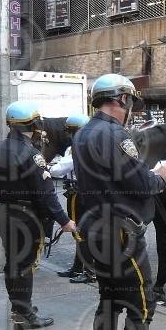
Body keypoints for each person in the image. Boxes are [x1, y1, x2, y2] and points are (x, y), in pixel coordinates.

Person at [72, 74, 166, 330]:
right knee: (139, 308)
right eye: (130, 101)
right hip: (122, 236)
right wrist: (161, 176)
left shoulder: (83, 133)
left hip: (96, 234)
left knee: (108, 301)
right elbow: (139, 184)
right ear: (121, 100)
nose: (131, 108)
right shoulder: (115, 135)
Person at [0, 101, 76, 329]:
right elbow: (46, 194)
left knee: (13, 262)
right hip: (26, 218)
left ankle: (19, 307)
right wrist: (64, 221)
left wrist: (1, 194)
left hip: (3, 213)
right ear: (33, 124)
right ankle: (23, 315)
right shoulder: (32, 154)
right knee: (24, 265)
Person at [51, 113, 95, 284]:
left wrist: (48, 168)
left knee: (84, 232)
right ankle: (78, 268)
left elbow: (61, 168)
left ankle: (90, 272)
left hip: (81, 193)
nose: (70, 135)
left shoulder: (83, 147)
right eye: (69, 131)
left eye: (73, 131)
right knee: (78, 231)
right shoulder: (73, 147)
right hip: (73, 192)